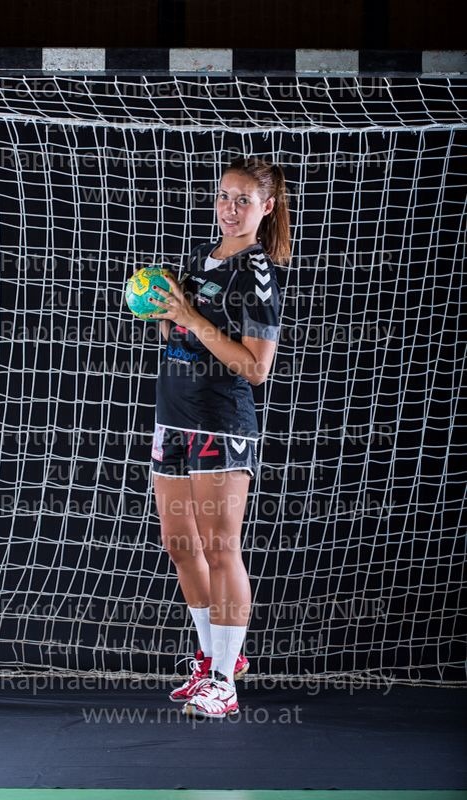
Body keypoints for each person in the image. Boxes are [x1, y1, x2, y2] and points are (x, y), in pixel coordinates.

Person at [147, 156, 291, 719]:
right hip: (173, 419)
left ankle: (225, 684)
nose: (230, 209)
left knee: (220, 548)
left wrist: (193, 317)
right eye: (224, 196)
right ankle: (211, 660)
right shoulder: (199, 258)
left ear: (266, 207)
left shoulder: (257, 273)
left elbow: (256, 368)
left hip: (220, 423)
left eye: (243, 200)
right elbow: (182, 335)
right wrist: (164, 312)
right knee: (181, 546)